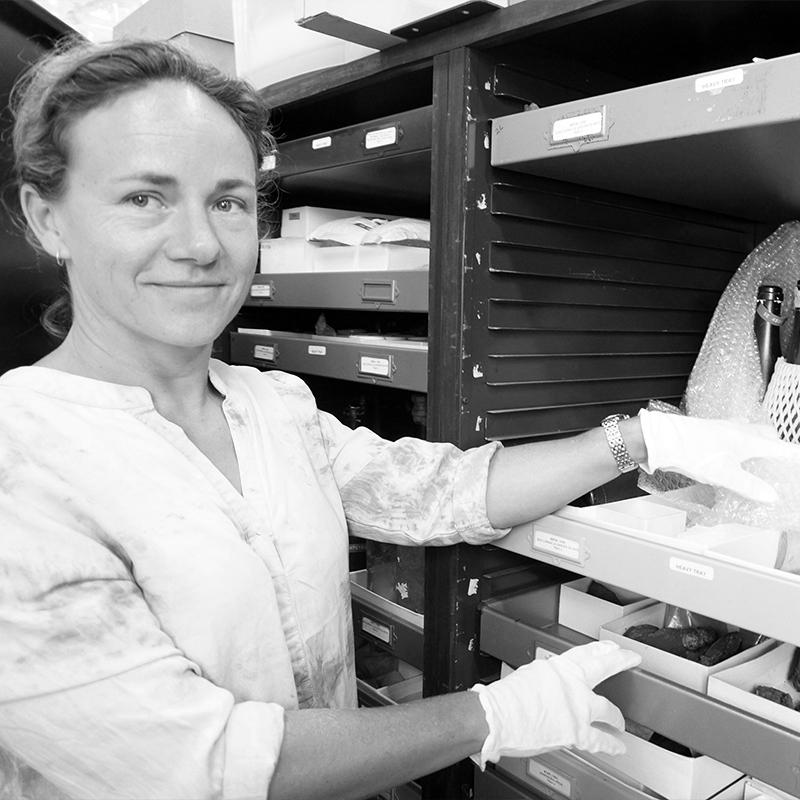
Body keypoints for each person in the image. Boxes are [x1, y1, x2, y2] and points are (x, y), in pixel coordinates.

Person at [0, 37, 797, 800]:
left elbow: (435, 491)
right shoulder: (23, 463)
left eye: (230, 202)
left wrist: (639, 439)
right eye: (145, 198)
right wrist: (490, 713)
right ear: (47, 217)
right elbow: (198, 770)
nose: (201, 244)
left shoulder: (270, 407)